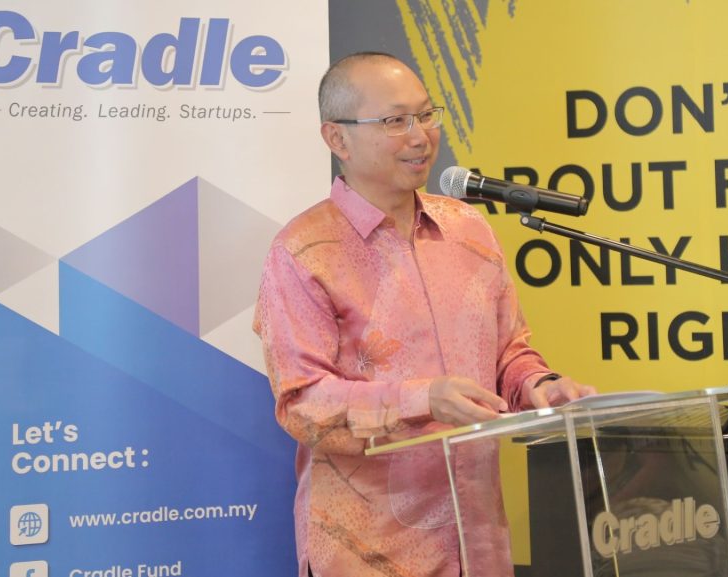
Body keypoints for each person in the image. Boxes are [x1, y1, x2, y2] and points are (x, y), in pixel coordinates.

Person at [254, 51, 595, 577]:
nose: (420, 137)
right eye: (395, 121)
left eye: (427, 114)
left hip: (479, 544)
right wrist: (423, 399)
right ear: (337, 138)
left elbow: (509, 353)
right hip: (369, 551)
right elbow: (302, 405)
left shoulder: (468, 228)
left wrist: (540, 386)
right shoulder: (303, 251)